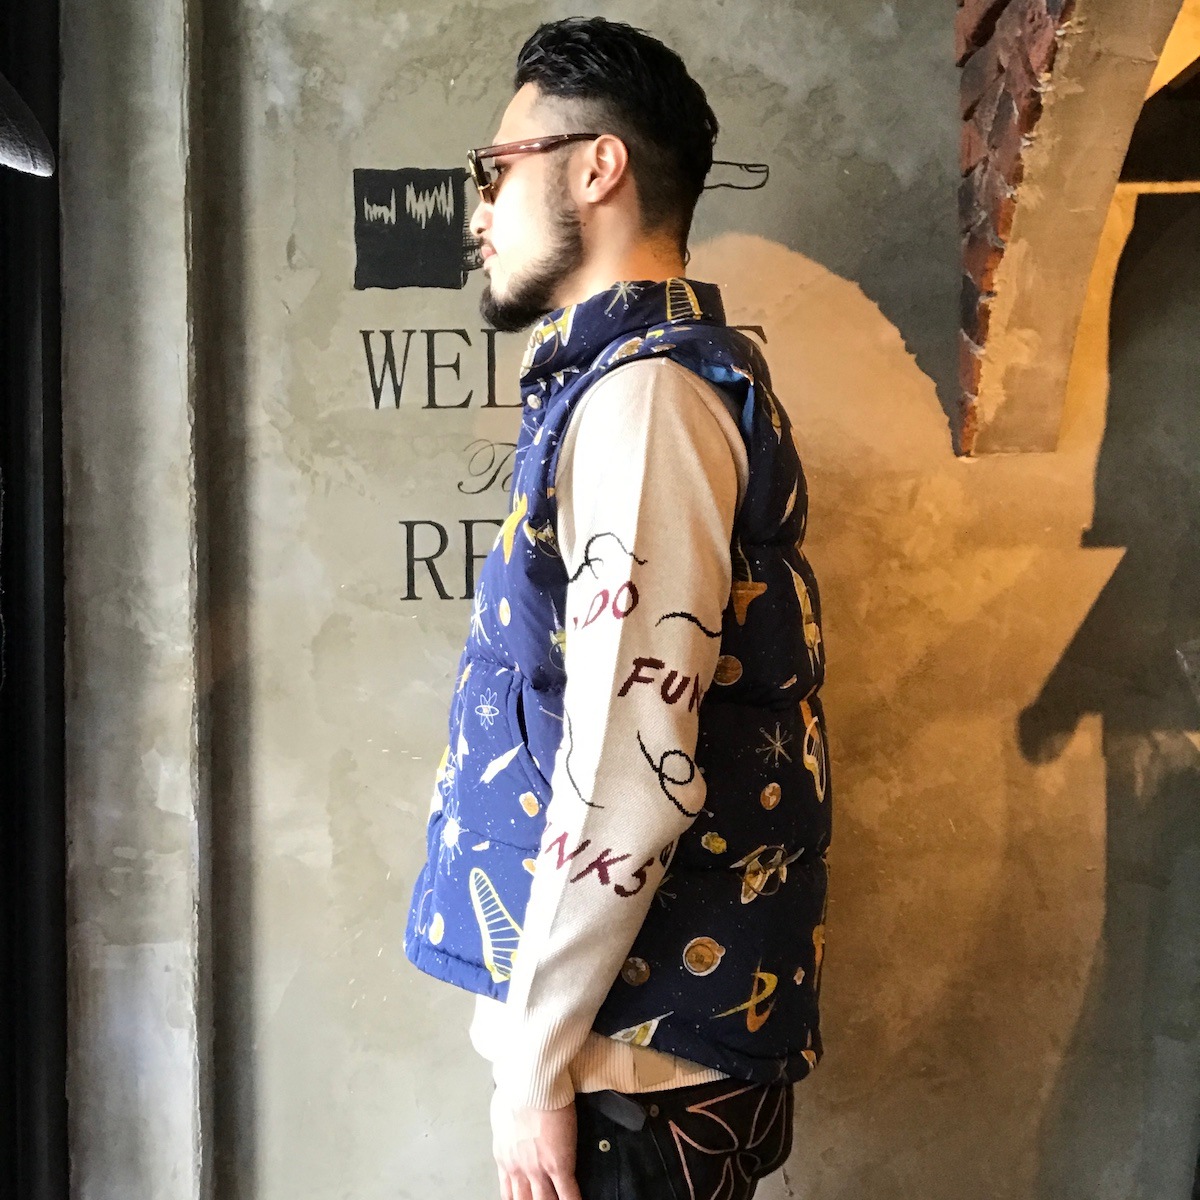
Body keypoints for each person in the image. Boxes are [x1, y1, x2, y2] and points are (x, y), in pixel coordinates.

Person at [404, 17, 830, 1200]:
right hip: (629, 1055)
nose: (478, 211)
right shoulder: (629, 388)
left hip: (626, 1074)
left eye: (495, 169)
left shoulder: (646, 401)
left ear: (598, 167)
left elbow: (630, 768)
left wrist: (536, 1064)